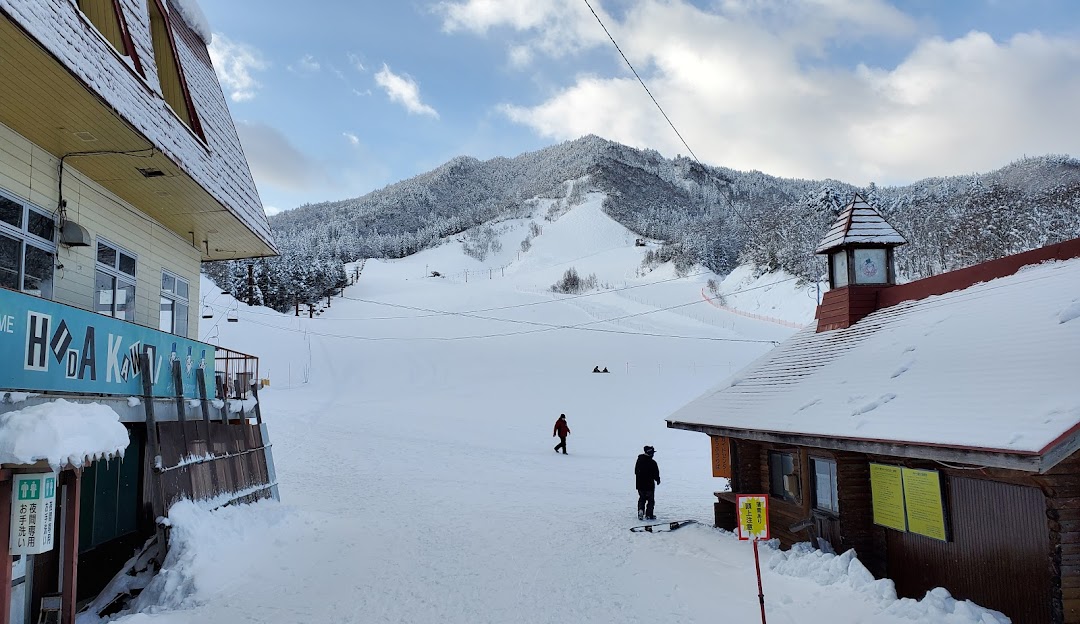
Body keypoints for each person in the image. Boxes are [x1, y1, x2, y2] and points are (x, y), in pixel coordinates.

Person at [635, 446, 660, 520]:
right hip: (649, 485)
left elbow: (636, 471)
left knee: (642, 498)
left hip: (640, 484)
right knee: (650, 500)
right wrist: (657, 479)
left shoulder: (639, 460)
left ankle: (641, 510)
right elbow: (656, 473)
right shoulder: (652, 462)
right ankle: (649, 515)